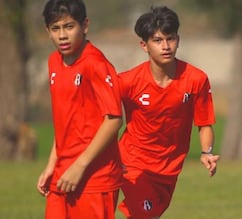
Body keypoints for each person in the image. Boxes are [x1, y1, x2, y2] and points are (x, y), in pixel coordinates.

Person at [117, 6, 220, 219]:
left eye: (170, 39)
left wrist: (206, 152)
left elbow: (204, 123)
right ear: (144, 45)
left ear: (178, 40)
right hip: (133, 164)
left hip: (169, 168)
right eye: (157, 40)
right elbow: (104, 114)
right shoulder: (127, 82)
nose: (166, 46)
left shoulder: (196, 79)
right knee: (145, 215)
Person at [36, 0, 122, 218]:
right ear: (48, 31)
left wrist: (79, 166)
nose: (62, 35)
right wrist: (51, 165)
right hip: (62, 173)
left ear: (84, 26)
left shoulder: (96, 63)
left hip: (95, 177)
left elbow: (113, 119)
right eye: (56, 28)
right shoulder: (54, 61)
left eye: (69, 26)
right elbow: (66, 121)